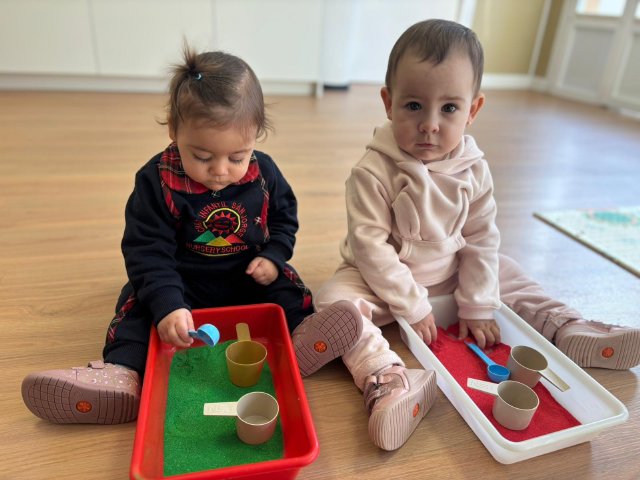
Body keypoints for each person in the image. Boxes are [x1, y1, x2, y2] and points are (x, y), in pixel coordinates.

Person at [301, 19, 640, 451]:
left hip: (450, 271)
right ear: (388, 103)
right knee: (335, 298)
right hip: (383, 281)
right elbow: (371, 248)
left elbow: (481, 238)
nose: (429, 124)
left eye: (448, 109)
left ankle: (565, 326)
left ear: (473, 110)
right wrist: (412, 304)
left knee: (506, 270)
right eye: (413, 106)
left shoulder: (475, 169)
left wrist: (478, 303)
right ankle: (387, 378)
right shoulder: (372, 172)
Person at [21, 47, 362, 425]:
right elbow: (147, 251)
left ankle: (303, 338)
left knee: (288, 285)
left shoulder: (264, 173)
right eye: (202, 157)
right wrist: (168, 305)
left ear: (256, 137)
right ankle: (123, 373)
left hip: (247, 275)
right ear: (174, 129)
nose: (220, 171)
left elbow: (284, 219)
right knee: (138, 302)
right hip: (182, 281)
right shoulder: (156, 181)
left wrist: (274, 255)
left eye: (237, 157)